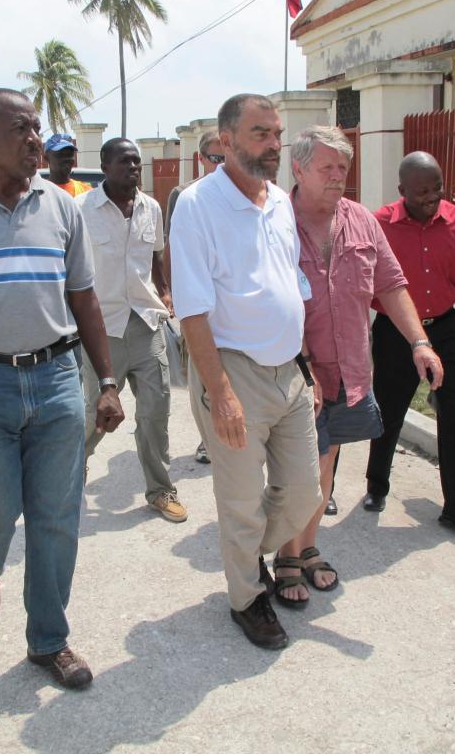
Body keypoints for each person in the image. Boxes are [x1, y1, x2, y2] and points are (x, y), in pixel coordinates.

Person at [0, 88, 124, 689]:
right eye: (21, 130)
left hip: (58, 379)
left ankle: (48, 641)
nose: (35, 139)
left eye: (38, 128)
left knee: (57, 516)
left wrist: (107, 381)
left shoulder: (62, 208)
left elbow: (83, 297)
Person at [170, 93, 322, 650]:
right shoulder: (196, 205)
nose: (275, 145)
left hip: (289, 372)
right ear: (226, 141)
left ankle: (248, 554)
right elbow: (191, 308)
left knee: (306, 491)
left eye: (278, 134)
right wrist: (220, 393)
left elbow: (290, 286)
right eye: (261, 134)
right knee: (238, 499)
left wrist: (306, 367)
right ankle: (247, 598)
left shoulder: (280, 201)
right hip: (234, 371)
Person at [273, 127, 443, 607]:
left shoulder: (363, 222)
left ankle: (305, 548)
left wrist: (420, 343)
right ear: (299, 168)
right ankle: (284, 557)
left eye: (343, 168)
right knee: (297, 469)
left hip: (347, 371)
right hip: (292, 372)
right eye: (326, 168)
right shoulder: (274, 222)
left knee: (324, 467)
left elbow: (391, 286)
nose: (337, 177)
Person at [365, 151, 455, 538]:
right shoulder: (381, 223)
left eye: (437, 188)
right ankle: (376, 487)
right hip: (396, 331)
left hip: (446, 329)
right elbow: (365, 279)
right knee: (388, 412)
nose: (432, 197)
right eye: (422, 191)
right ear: (402, 190)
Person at [77, 138, 184, 522]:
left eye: (137, 161)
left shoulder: (151, 208)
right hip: (102, 328)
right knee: (96, 414)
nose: (134, 167)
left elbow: (154, 256)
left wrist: (166, 291)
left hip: (145, 323)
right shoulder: (82, 209)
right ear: (104, 166)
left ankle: (160, 490)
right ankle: (72, 474)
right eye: (125, 161)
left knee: (156, 411)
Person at [164, 129, 224, 466]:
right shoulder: (184, 195)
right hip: (198, 304)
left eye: (226, 158)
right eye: (214, 159)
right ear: (200, 159)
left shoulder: (244, 195)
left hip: (231, 305)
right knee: (201, 371)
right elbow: (172, 246)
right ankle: (208, 437)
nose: (220, 166)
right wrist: (172, 292)